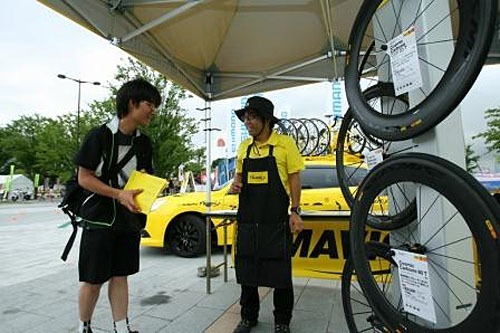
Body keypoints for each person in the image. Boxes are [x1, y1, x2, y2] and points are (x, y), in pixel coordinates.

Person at [76, 78, 161, 333]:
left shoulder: (144, 143)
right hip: (99, 218)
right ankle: (84, 327)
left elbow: (145, 175)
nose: (153, 110)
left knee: (120, 274)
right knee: (93, 280)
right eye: (149, 104)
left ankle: (122, 328)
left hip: (128, 220)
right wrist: (118, 194)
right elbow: (84, 178)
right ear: (131, 103)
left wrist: (149, 187)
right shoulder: (98, 136)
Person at [229, 96, 304, 333]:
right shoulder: (244, 148)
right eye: (246, 118)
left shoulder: (285, 144)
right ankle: (248, 317)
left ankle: (282, 321)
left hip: (275, 220)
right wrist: (234, 186)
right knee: (247, 268)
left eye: (252, 117)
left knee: (280, 272)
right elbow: (238, 179)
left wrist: (295, 211)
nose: (247, 122)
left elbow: (294, 179)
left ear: (266, 120)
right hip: (248, 220)